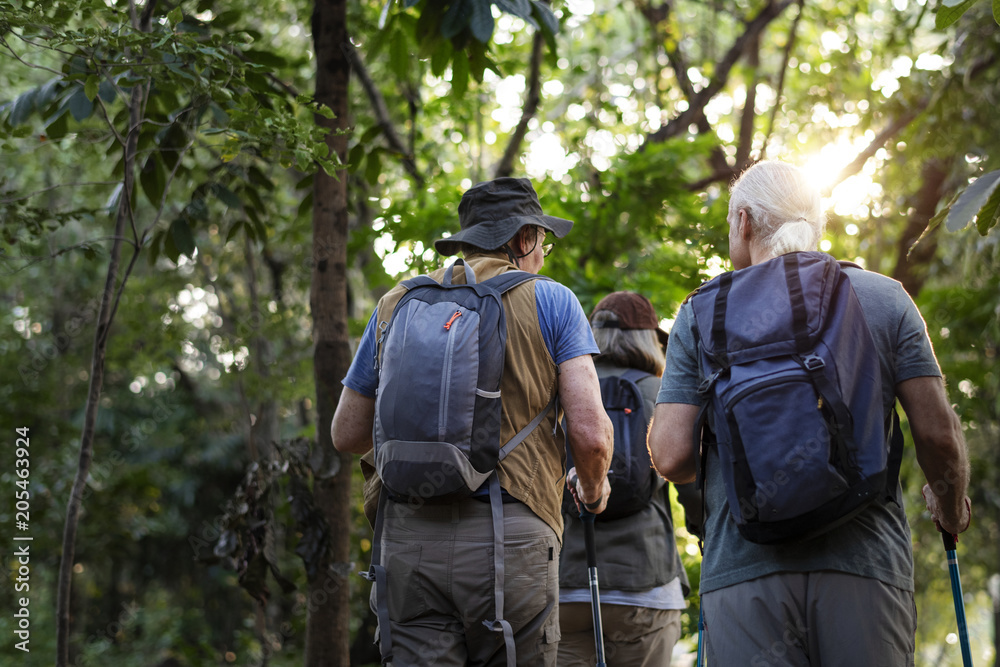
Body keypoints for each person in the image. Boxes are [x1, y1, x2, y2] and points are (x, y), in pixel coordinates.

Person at [647, 160, 972, 665]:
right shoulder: (883, 298)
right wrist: (950, 508)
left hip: (744, 573)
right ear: (815, 226)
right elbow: (938, 436)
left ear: (745, 222)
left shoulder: (701, 313)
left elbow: (670, 457)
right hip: (864, 568)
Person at [332, 177, 614, 666]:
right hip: (510, 541)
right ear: (523, 239)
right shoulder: (552, 300)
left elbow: (346, 434)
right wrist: (592, 491)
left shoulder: (395, 304)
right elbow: (590, 436)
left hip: (406, 539)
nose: (542, 255)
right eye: (541, 242)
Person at [558, 291, 699, 667]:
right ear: (650, 339)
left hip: (567, 583)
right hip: (645, 583)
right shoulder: (664, 394)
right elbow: (693, 488)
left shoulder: (560, 393)